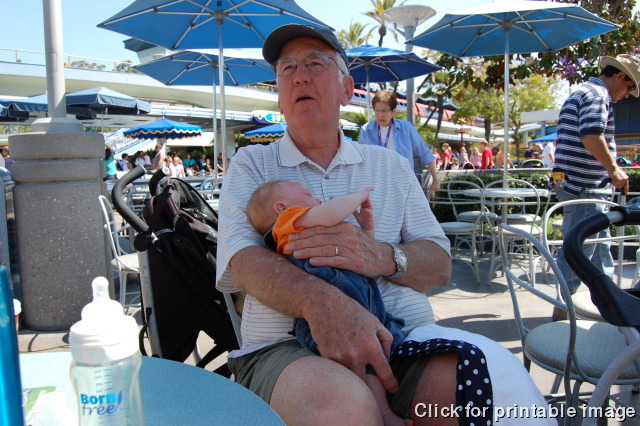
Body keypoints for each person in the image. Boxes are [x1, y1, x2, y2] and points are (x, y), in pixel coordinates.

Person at [216, 23, 550, 424]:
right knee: (341, 407)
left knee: (496, 383)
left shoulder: (390, 165)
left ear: (346, 89)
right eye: (287, 68)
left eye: (315, 63)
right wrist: (320, 303)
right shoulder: (251, 164)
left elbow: (439, 264)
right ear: (280, 97)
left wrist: (382, 256)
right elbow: (241, 262)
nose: (300, 76)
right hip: (284, 346)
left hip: (401, 334)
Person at [247, 181, 409, 426]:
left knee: (373, 361)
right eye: (308, 194)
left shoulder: (305, 226)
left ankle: (384, 412)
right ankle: (384, 413)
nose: (318, 200)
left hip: (363, 307)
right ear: (282, 208)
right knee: (366, 365)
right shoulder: (287, 221)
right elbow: (330, 212)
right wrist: (358, 195)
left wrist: (367, 229)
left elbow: (362, 255)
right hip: (338, 319)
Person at [553, 54, 638, 300]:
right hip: (585, 182)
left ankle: (608, 300)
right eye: (629, 88)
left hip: (566, 179)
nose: (626, 95)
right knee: (581, 246)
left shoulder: (582, 92)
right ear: (619, 76)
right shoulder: (598, 94)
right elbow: (591, 135)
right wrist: (613, 169)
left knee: (599, 243)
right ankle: (565, 305)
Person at [358, 90, 440, 193]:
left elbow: (425, 152)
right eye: (377, 110)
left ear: (394, 112)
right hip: (376, 184)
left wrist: (435, 179)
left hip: (403, 184)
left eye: (384, 110)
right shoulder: (366, 130)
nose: (380, 115)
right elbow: (359, 158)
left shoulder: (406, 128)